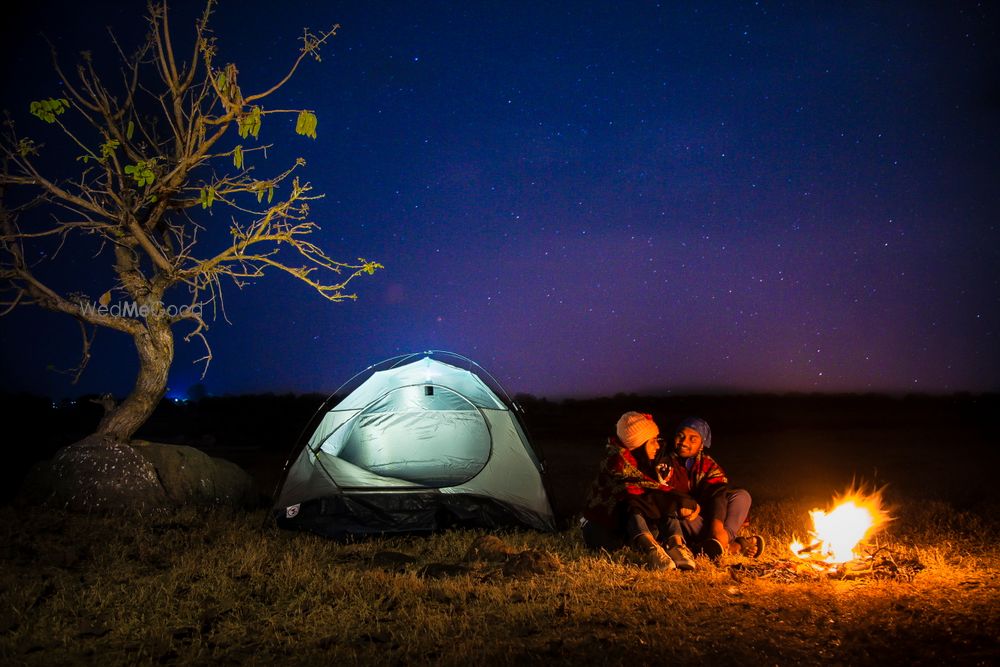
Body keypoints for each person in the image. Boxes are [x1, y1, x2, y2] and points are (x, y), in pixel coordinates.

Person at [580, 411, 698, 571]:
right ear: (639, 444)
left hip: (631, 526)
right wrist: (682, 499)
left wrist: (679, 499)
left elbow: (657, 489)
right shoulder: (617, 462)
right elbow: (645, 486)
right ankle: (653, 551)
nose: (658, 446)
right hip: (606, 530)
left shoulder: (644, 461)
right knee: (635, 497)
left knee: (659, 499)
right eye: (653, 441)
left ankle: (676, 547)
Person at [666, 416, 764, 559]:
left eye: (692, 439)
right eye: (680, 436)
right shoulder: (665, 461)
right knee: (681, 513)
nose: (684, 442)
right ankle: (733, 546)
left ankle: (722, 540)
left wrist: (717, 528)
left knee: (741, 496)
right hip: (689, 515)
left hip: (708, 514)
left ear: (701, 445)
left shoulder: (708, 465)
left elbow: (718, 494)